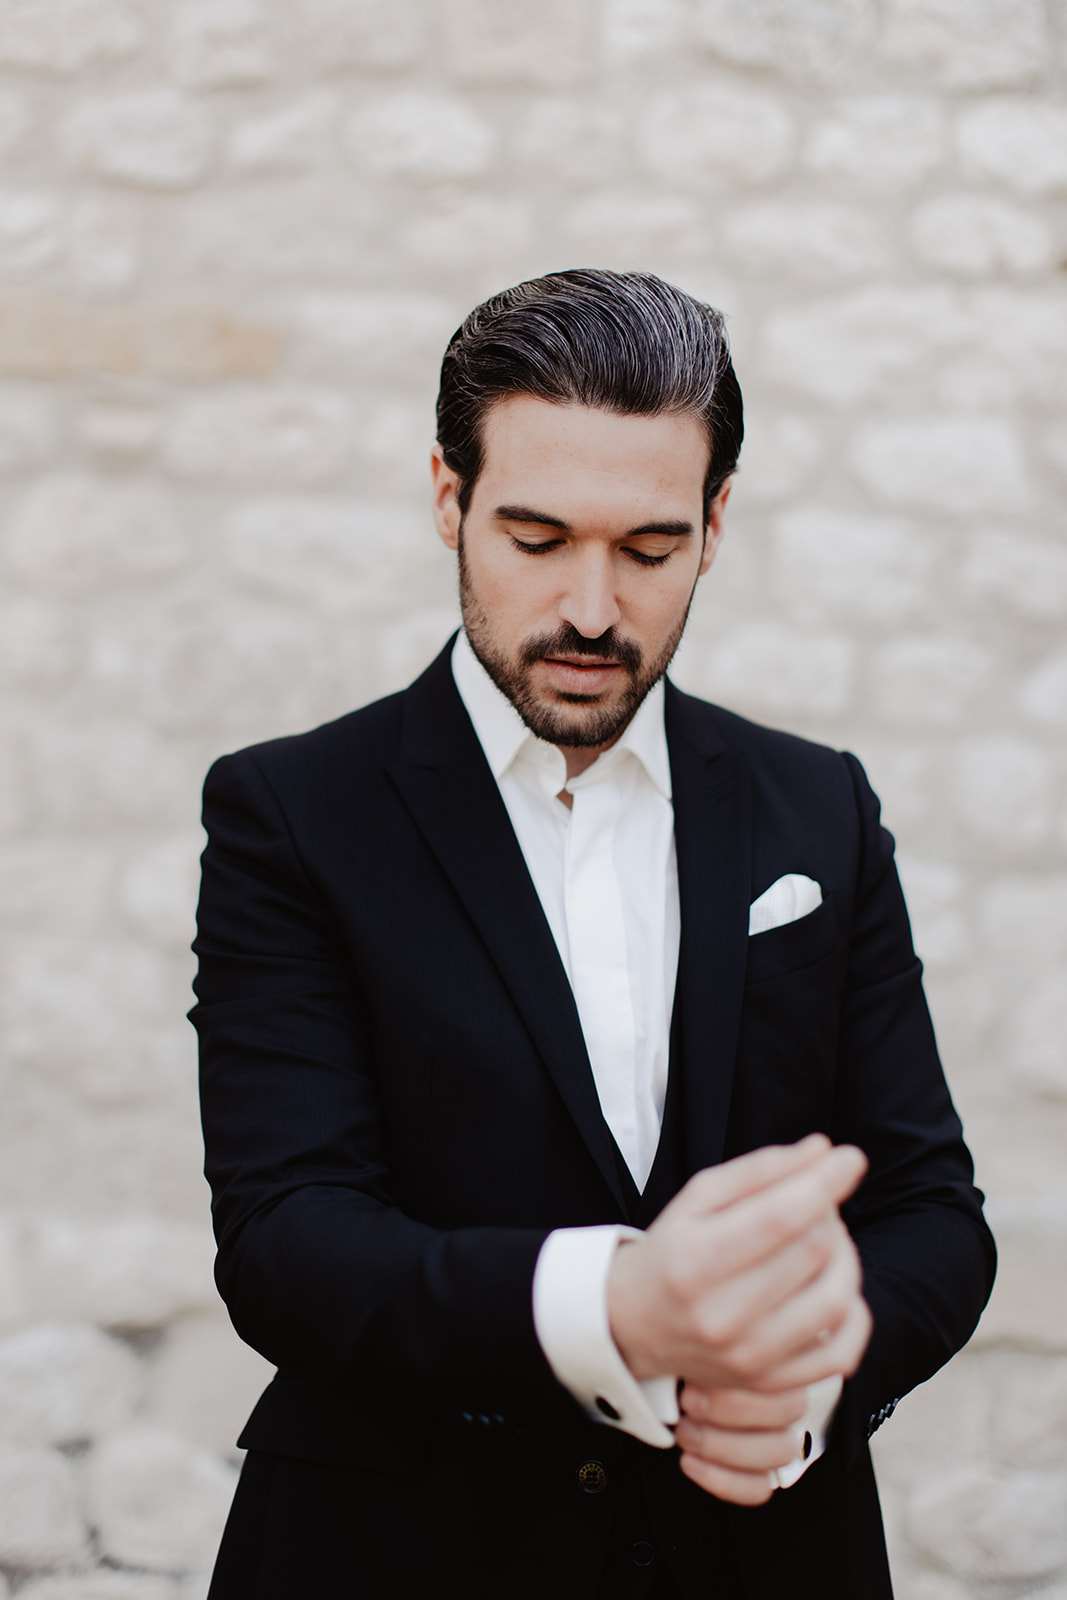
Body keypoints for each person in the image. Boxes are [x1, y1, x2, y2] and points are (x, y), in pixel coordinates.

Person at [188, 268, 996, 1599]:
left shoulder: (818, 807)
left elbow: (933, 1215)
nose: (591, 609)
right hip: (395, 1557)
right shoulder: (291, 812)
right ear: (448, 499)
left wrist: (809, 1378)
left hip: (766, 1553)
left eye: (649, 548)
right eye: (537, 535)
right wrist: (618, 1308)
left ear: (717, 522)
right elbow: (286, 1244)